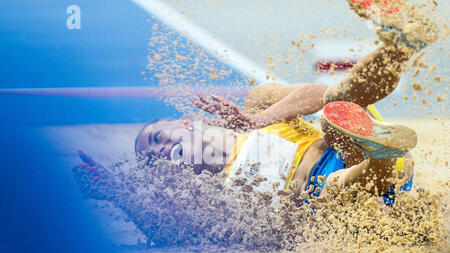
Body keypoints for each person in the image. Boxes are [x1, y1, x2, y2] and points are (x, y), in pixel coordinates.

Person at [74, 0, 438, 207]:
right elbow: (164, 224)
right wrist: (116, 193)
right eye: (151, 159)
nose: (159, 151)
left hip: (347, 144)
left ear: (183, 122)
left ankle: (401, 44)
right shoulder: (202, 192)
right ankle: (383, 158)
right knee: (332, 193)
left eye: (156, 138)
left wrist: (258, 119)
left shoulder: (257, 109)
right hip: (349, 191)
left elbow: (316, 93)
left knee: (334, 109)